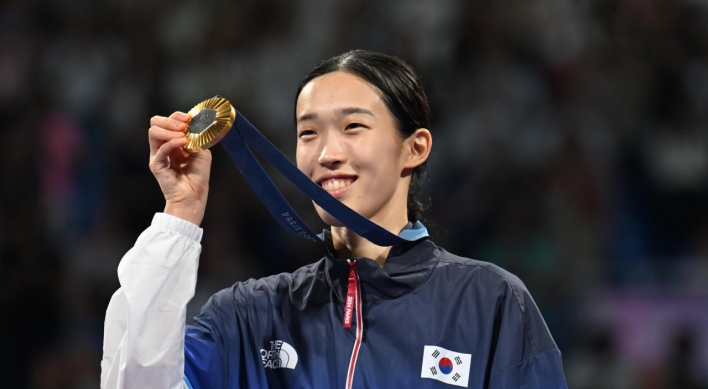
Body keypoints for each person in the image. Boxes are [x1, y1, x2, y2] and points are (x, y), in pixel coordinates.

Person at [101, 50, 568, 389]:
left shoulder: (490, 304)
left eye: (353, 127)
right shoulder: (249, 317)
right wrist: (181, 213)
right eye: (308, 133)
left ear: (415, 147)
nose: (326, 154)